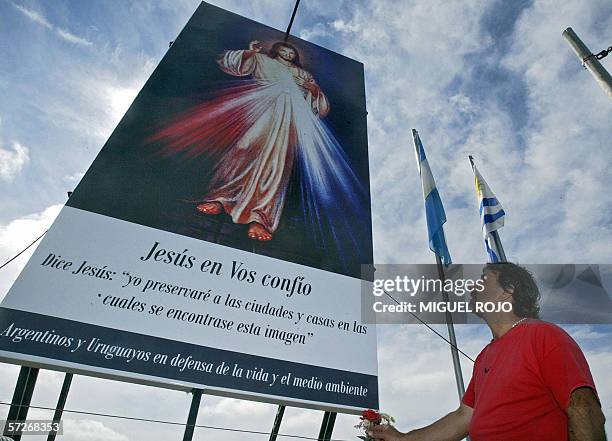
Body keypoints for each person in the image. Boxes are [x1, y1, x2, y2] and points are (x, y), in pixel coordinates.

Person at [369, 262, 606, 441]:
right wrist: (402, 438)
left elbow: (582, 406)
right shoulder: (484, 356)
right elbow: (463, 417)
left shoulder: (543, 335)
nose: (474, 285)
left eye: (484, 278)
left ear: (507, 290)